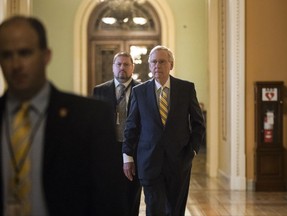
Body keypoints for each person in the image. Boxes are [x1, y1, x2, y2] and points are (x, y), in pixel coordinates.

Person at [0, 15, 122, 216]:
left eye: (25, 53)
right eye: (6, 55)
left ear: (46, 55)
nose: (16, 64)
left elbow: (109, 202)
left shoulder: (89, 118)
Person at [122, 45, 206, 216]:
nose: (157, 66)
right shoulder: (139, 92)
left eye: (161, 62)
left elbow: (198, 124)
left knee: (175, 210)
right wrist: (127, 156)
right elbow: (131, 126)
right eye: (153, 62)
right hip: (149, 161)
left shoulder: (186, 89)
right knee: (154, 209)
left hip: (180, 161)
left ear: (171, 65)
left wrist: (193, 151)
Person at [93, 52, 141, 216]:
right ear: (113, 67)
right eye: (119, 64)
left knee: (132, 195)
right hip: (108, 150)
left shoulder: (142, 90)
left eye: (126, 64)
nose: (122, 67)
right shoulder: (99, 91)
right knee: (108, 195)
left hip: (134, 150)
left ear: (132, 67)